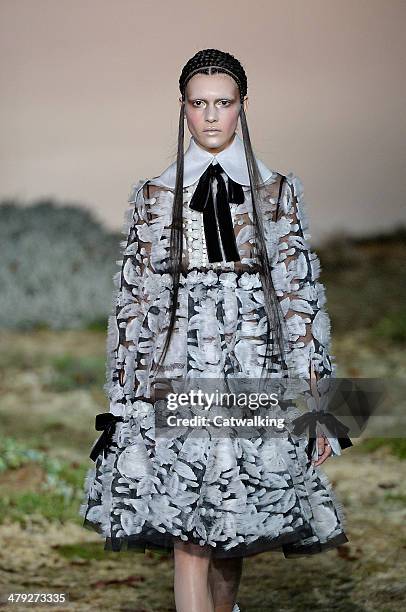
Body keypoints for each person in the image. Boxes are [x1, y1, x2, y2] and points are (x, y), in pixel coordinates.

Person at [79, 48, 352, 612]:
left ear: (242, 107)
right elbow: (133, 302)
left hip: (256, 362)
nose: (210, 116)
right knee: (186, 525)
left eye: (222, 103)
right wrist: (126, 396)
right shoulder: (155, 194)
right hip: (178, 362)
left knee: (235, 526)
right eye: (198, 103)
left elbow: (300, 296)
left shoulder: (276, 193)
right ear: (181, 108)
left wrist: (320, 404)